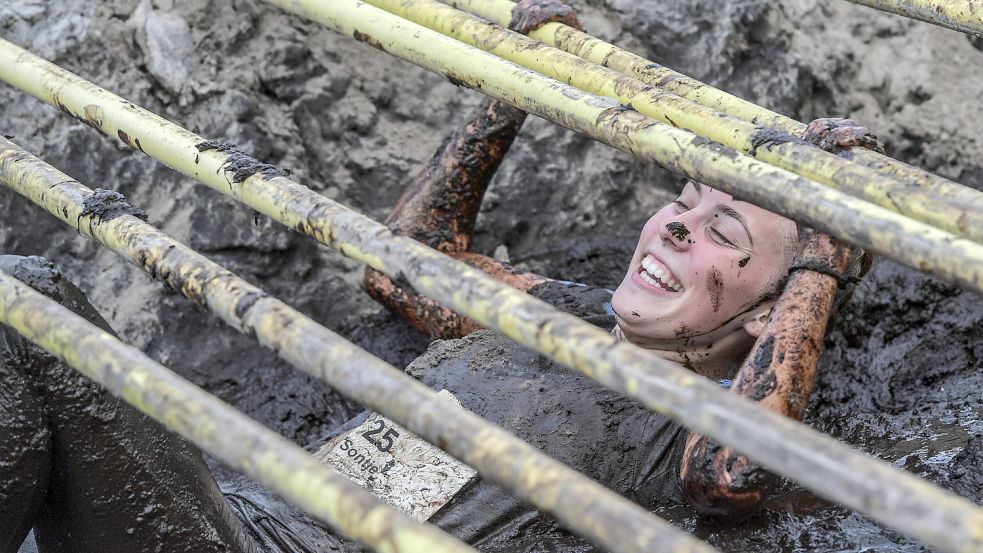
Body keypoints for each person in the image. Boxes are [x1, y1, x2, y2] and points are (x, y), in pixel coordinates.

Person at [1, 1, 877, 551]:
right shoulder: (549, 313)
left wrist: (827, 245)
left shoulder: (693, 421)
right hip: (231, 512)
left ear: (774, 310)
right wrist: (514, 90)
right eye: (682, 197)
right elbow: (406, 263)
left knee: (27, 294)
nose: (677, 220)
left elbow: (733, 475)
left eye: (721, 227)